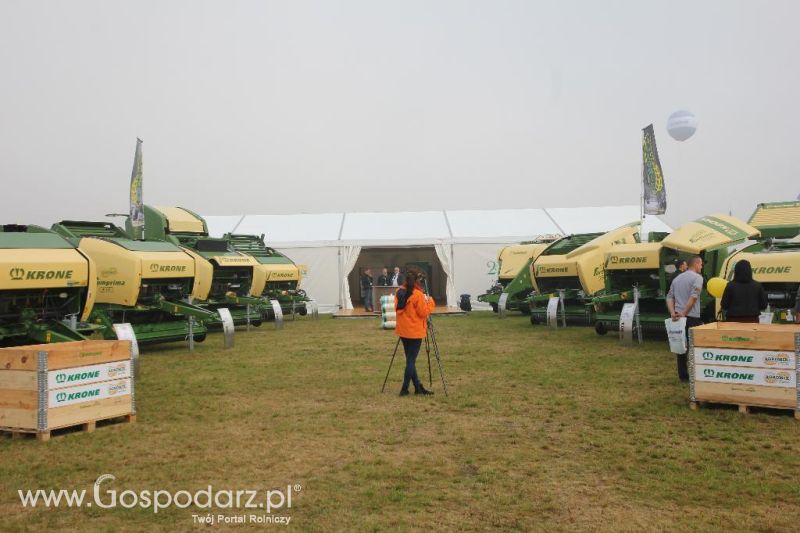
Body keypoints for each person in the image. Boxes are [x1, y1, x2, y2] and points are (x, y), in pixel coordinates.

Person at [394, 271, 435, 396]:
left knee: (409, 361)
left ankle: (418, 387)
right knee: (411, 362)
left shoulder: (398, 292)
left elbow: (397, 308)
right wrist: (430, 301)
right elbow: (423, 313)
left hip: (403, 331)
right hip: (415, 332)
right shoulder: (418, 294)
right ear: (417, 281)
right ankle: (404, 389)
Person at [666, 255, 704, 383]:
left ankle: (683, 376)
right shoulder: (698, 278)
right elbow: (694, 298)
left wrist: (673, 312)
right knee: (694, 347)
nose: (702, 267)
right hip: (692, 316)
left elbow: (669, 297)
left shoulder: (677, 279)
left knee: (681, 347)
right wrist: (685, 312)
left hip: (677, 317)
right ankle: (695, 374)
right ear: (696, 264)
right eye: (701, 264)